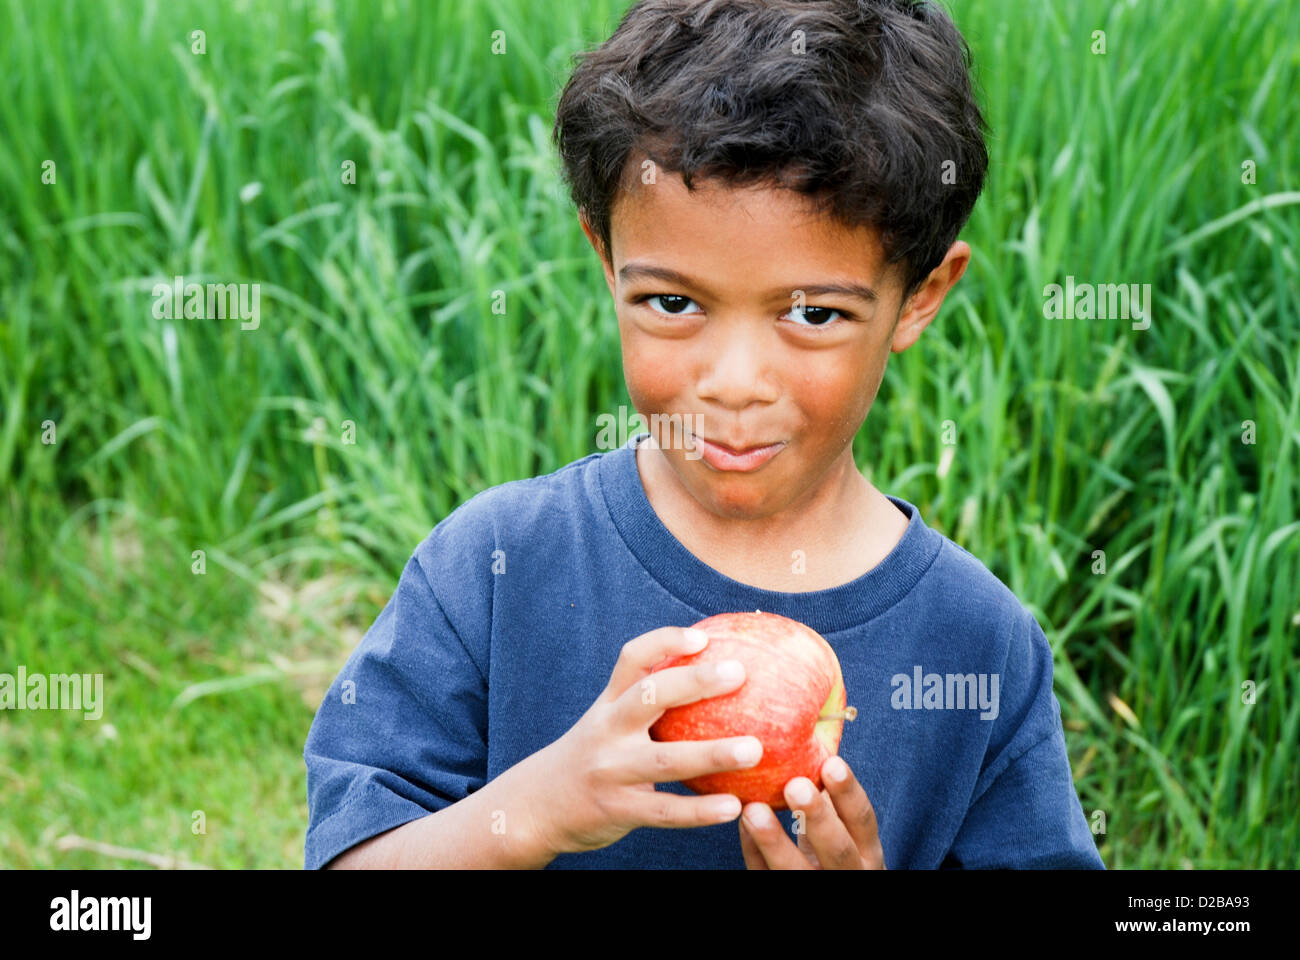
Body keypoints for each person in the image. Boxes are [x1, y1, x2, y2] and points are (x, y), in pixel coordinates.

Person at [304, 0, 1104, 869]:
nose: (732, 383)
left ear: (920, 294)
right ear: (606, 259)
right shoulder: (495, 567)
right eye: (673, 303)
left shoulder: (977, 646)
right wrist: (534, 811)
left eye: (813, 312)